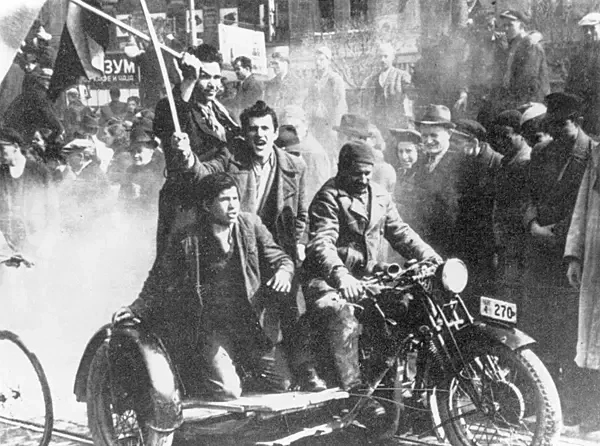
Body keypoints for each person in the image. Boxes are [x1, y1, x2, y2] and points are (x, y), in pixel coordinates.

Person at [113, 172, 295, 400]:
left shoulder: (251, 225)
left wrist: (284, 272)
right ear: (207, 205)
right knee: (228, 391)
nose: (232, 206)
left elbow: (281, 258)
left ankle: (238, 369)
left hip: (248, 325)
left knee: (282, 383)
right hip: (211, 328)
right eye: (224, 200)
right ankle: (203, 374)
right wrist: (135, 309)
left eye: (235, 198)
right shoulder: (187, 239)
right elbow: (159, 279)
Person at [293, 140, 440, 417]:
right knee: (343, 315)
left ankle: (400, 384)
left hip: (367, 278)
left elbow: (401, 232)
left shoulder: (380, 195)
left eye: (367, 173)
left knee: (405, 307)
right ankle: (354, 392)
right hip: (327, 279)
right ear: (342, 169)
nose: (362, 179)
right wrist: (341, 276)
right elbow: (322, 243)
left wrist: (431, 257)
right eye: (356, 173)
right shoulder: (328, 197)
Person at [168, 101, 307, 344]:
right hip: (240, 247)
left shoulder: (295, 166)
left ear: (275, 132)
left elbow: (301, 212)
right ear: (244, 134)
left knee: (286, 315)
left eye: (265, 128)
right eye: (253, 129)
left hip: (276, 251)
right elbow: (204, 173)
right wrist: (186, 155)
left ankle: (287, 359)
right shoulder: (231, 158)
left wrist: (299, 244)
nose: (260, 135)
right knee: (242, 314)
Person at [521, 92, 593, 424]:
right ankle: (543, 402)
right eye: (551, 125)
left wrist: (559, 234)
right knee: (541, 329)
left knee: (571, 332)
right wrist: (533, 225)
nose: (555, 132)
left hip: (571, 257)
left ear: (577, 122)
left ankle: (576, 406)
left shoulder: (592, 154)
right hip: (541, 253)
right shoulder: (542, 152)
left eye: (561, 125)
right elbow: (528, 196)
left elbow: (586, 208)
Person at [564, 122, 600, 433]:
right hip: (594, 264)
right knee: (591, 344)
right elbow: (582, 207)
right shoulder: (597, 155)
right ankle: (590, 416)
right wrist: (574, 255)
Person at [488, 110, 531, 302]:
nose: (500, 141)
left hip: (518, 242)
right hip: (505, 243)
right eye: (496, 136)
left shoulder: (526, 162)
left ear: (520, 135)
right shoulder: (506, 162)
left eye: (506, 136)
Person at [0, 127, 58, 258]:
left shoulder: (40, 171)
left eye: (1, 148)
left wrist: (48, 242)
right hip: (7, 247)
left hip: (38, 244)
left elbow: (53, 209)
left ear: (15, 146)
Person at [496, 10, 550, 109]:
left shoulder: (530, 45)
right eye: (504, 26)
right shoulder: (513, 44)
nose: (506, 29)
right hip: (516, 98)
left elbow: (528, 78)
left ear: (521, 25)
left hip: (531, 100)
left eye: (510, 25)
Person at [278, 105, 331, 203]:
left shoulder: (314, 153)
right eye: (288, 129)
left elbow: (319, 191)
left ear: (305, 125)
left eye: (296, 127)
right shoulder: (281, 147)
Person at [3, 67, 64, 145]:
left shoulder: (28, 93)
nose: (49, 83)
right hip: (20, 137)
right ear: (40, 80)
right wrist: (58, 130)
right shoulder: (40, 96)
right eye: (46, 80)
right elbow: (53, 121)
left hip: (10, 132)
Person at [303, 47, 347, 149]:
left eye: (321, 60)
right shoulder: (313, 80)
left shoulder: (335, 79)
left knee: (330, 151)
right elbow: (309, 102)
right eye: (316, 60)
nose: (317, 62)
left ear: (329, 61)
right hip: (316, 124)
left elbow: (340, 106)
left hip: (330, 124)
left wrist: (335, 128)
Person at [118, 119, 165, 216]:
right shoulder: (130, 171)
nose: (135, 155)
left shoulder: (161, 170)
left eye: (139, 151)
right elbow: (121, 201)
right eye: (132, 151)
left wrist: (139, 197)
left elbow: (160, 203)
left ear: (151, 149)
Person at [564, 12, 600, 136]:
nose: (589, 33)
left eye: (592, 28)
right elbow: (571, 82)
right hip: (584, 108)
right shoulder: (579, 55)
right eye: (585, 29)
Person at [362, 43, 412, 130]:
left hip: (397, 125)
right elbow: (367, 104)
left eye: (385, 56)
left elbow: (411, 99)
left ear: (392, 57)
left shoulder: (402, 76)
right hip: (378, 126)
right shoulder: (371, 80)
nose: (382, 60)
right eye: (380, 57)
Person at [264, 50, 303, 115]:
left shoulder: (296, 82)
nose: (273, 66)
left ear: (285, 63)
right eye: (272, 64)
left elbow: (297, 107)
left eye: (276, 63)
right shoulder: (270, 83)